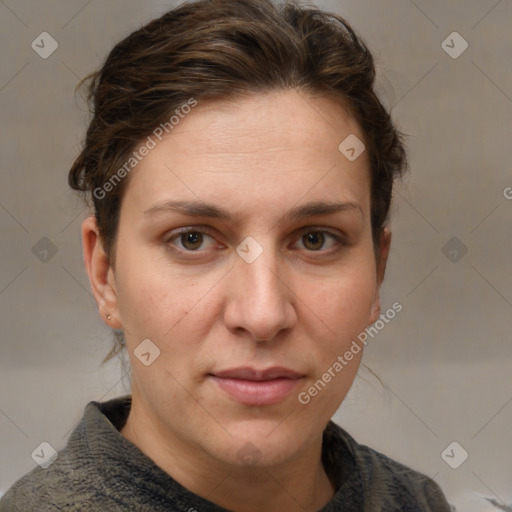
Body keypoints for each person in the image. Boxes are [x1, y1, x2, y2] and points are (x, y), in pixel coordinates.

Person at [0, 0, 453, 510]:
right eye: (191, 239)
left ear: (378, 270)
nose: (262, 315)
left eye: (314, 239)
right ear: (105, 274)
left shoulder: (417, 501)